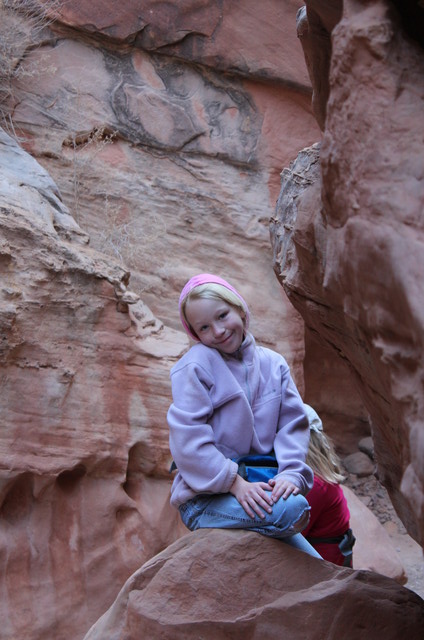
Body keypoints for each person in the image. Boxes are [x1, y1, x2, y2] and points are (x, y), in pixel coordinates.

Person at [167, 273, 321, 558]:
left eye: (223, 315)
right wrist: (235, 484)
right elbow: (187, 440)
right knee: (292, 510)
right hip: (207, 499)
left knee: (315, 563)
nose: (218, 330)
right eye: (204, 327)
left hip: (260, 485)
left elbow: (293, 425)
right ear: (195, 334)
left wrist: (291, 473)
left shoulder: (273, 364)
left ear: (239, 307)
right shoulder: (195, 366)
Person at [301, 404, 355, 566]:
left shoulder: (315, 483)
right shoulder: (321, 475)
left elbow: (296, 531)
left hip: (323, 568)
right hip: (333, 559)